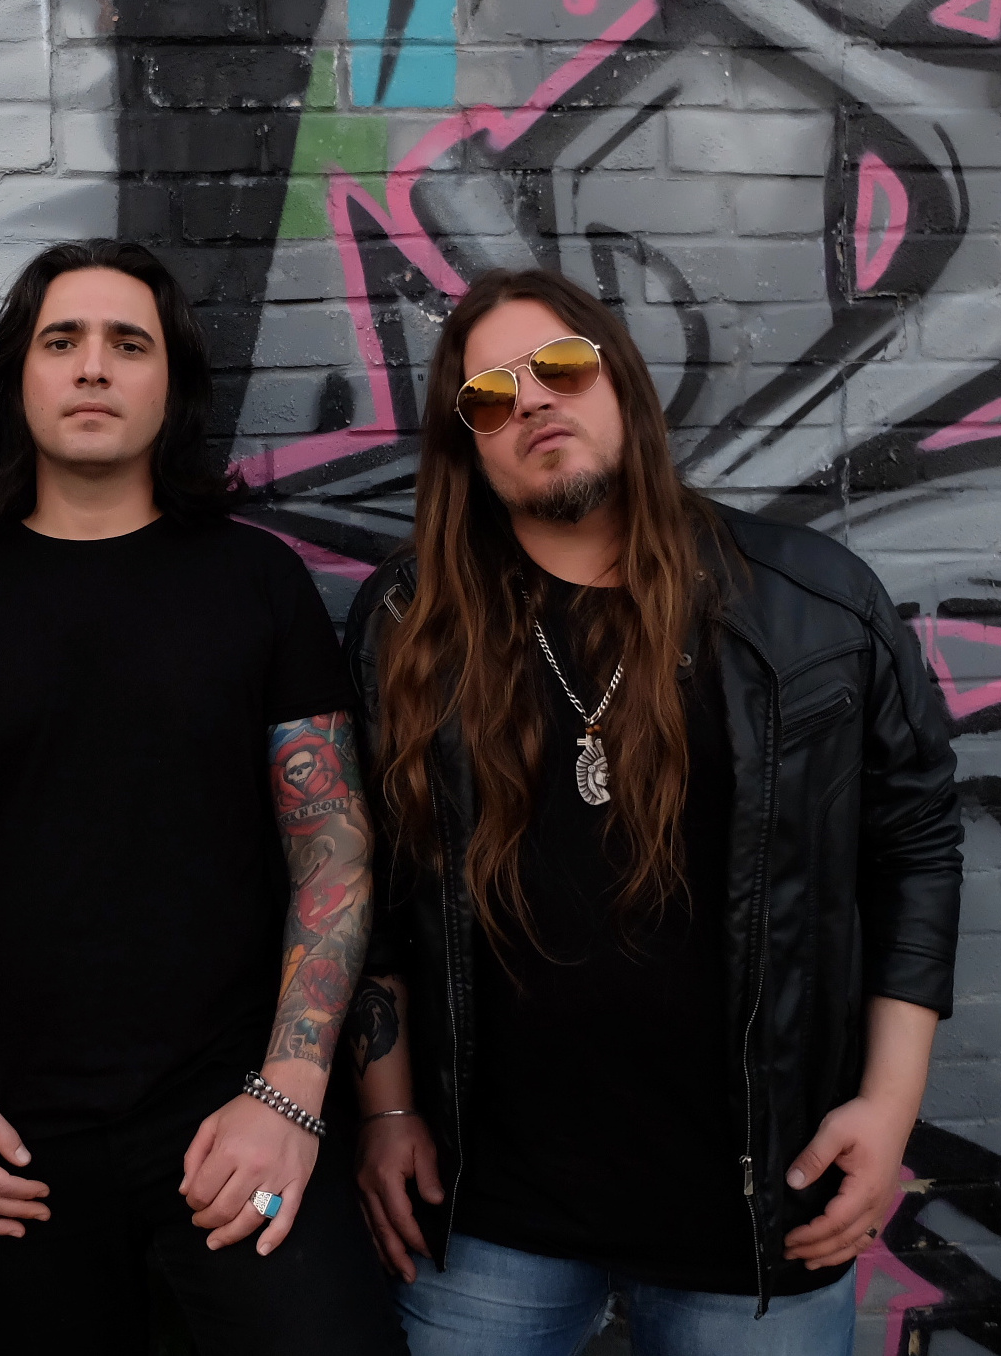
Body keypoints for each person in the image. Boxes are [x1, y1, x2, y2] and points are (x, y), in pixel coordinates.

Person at [342, 269, 962, 1356]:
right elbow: (376, 881)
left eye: (562, 367)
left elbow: (913, 846)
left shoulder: (811, 604)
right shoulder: (409, 627)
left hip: (754, 1220)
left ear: (621, 382)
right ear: (466, 446)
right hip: (490, 1219)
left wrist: (889, 1105)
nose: (534, 401)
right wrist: (388, 1112)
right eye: (490, 394)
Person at [0, 239, 408, 1356]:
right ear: (17, 376)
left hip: (235, 1122)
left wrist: (291, 1093)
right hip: (15, 1150)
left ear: (171, 386)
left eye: (128, 344)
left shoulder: (255, 581)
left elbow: (333, 851)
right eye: (62, 341)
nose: (93, 366)